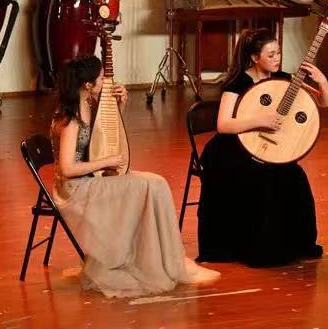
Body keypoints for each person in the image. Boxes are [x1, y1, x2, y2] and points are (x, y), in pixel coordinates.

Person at [50, 55, 219, 298]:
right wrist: (107, 162)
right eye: (101, 79)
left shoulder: (90, 104)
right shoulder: (70, 118)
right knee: (144, 187)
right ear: (87, 85)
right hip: (75, 188)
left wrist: (120, 106)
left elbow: (103, 139)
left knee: (157, 183)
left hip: (91, 178)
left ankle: (163, 260)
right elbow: (67, 169)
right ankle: (135, 261)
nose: (105, 82)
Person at [197, 28, 328, 267]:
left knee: (294, 175)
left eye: (278, 53)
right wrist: (260, 121)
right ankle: (257, 247)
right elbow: (223, 125)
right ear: (255, 57)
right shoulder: (238, 83)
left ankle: (292, 244)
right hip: (230, 149)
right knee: (262, 178)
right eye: (271, 55)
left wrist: (322, 81)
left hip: (264, 148)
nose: (277, 58)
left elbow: (324, 102)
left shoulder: (283, 79)